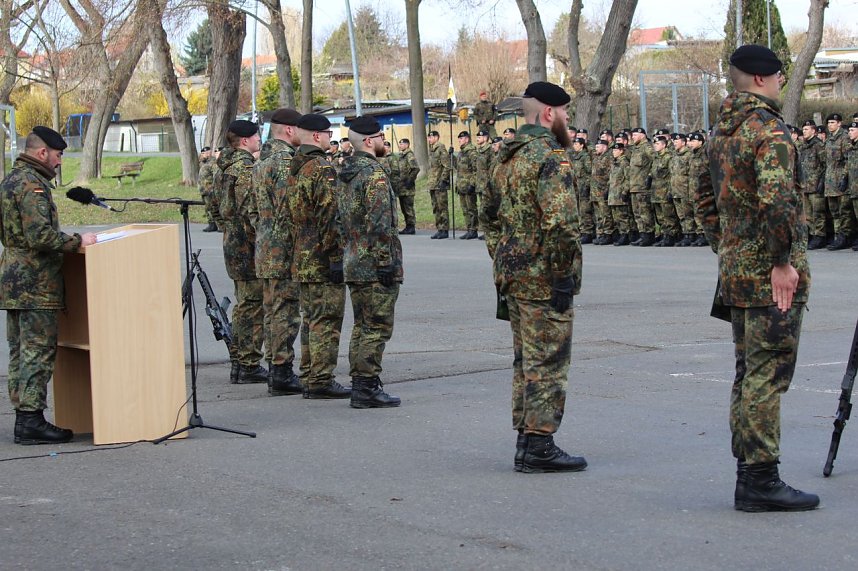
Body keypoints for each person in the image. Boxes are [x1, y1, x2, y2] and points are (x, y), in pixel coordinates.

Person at [696, 44, 819, 512]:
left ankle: (750, 471)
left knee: (749, 372)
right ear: (765, 79)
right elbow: (778, 201)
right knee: (767, 376)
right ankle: (760, 479)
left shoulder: (721, 132)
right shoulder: (769, 130)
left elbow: (702, 197)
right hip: (770, 274)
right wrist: (782, 261)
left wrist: (727, 246)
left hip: (737, 271)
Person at [481, 81, 587, 474]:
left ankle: (527, 439)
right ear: (549, 114)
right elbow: (561, 224)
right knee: (549, 360)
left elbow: (488, 216)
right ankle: (540, 443)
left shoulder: (506, 157)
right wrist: (562, 275)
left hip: (514, 276)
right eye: (564, 114)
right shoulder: (550, 157)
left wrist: (505, 255)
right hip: (544, 277)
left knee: (526, 360)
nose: (566, 121)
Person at [0, 126, 97, 444]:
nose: (59, 162)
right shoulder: (32, 185)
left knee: (20, 352)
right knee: (37, 352)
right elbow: (39, 236)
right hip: (35, 283)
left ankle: (25, 418)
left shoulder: (13, 179)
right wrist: (77, 241)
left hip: (15, 280)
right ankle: (30, 421)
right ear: (42, 153)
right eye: (58, 155)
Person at [337, 116, 403, 408]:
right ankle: (366, 386)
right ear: (368, 142)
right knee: (376, 326)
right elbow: (381, 223)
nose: (383, 142)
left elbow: (340, 220)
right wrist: (386, 261)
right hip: (374, 265)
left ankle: (360, 384)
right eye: (379, 137)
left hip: (354, 260)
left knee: (362, 326)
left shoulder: (346, 173)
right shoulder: (374, 175)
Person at [287, 114, 351, 399]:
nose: (330, 138)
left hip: (302, 254)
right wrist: (336, 256)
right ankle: (321, 379)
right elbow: (330, 215)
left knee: (311, 318)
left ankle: (310, 372)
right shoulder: (321, 168)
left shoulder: (296, 167)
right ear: (316, 136)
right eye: (327, 133)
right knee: (326, 319)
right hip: (321, 256)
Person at [252, 108, 304, 396]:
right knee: (285, 310)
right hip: (283, 246)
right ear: (288, 130)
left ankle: (275, 366)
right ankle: (282, 370)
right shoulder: (285, 162)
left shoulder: (261, 161)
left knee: (273, 310)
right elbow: (290, 209)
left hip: (266, 244)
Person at [216, 120, 268, 384]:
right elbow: (252, 212)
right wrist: (262, 243)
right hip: (247, 247)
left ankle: (240, 361)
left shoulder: (223, 168)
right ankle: (248, 363)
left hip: (231, 242)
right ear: (246, 140)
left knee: (243, 305)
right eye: (257, 135)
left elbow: (216, 208)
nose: (260, 138)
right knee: (252, 306)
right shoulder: (246, 169)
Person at [824, 113, 852, 250]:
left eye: (833, 123)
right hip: (830, 181)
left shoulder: (844, 138)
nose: (830, 125)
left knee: (844, 211)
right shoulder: (829, 139)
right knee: (834, 211)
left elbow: (848, 160)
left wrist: (845, 178)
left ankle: (844, 237)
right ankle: (837, 236)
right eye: (829, 123)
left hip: (840, 180)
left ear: (839, 124)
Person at [798, 120, 828, 250]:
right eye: (803, 129)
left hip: (815, 185)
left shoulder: (818, 146)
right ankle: (811, 234)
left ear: (813, 131)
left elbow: (825, 164)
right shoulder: (803, 146)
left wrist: (822, 181)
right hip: (805, 185)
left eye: (807, 129)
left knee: (818, 213)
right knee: (808, 214)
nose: (804, 131)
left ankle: (820, 236)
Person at [650, 135, 681, 246]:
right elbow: (653, 172)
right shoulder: (656, 157)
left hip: (665, 190)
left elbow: (672, 175)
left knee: (669, 216)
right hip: (656, 191)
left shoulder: (669, 157)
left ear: (664, 145)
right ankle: (664, 235)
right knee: (660, 216)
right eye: (654, 144)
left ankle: (671, 236)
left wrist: (670, 191)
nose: (655, 146)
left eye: (658, 144)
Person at [569, 136, 594, 243]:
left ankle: (587, 232)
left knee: (585, 211)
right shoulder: (575, 157)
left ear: (582, 145)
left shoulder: (585, 157)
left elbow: (590, 173)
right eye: (574, 144)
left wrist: (587, 186)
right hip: (577, 187)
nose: (574, 146)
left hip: (583, 187)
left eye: (576, 144)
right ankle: (581, 230)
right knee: (578, 210)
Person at [455, 131, 479, 239]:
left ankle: (474, 229)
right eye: (459, 139)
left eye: (461, 138)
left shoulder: (471, 152)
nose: (459, 140)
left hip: (469, 184)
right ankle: (469, 228)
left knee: (471, 208)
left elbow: (476, 169)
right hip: (461, 185)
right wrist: (451, 156)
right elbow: (458, 168)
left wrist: (473, 184)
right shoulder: (461, 152)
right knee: (465, 209)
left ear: (467, 139)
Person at [427, 130, 451, 239]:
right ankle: (439, 228)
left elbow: (447, 166)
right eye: (429, 137)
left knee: (442, 207)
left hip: (439, 183)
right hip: (433, 183)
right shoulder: (432, 150)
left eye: (431, 137)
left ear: (437, 138)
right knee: (435, 207)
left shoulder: (441, 148)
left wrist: (443, 180)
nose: (430, 139)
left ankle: (444, 229)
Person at [590, 138, 614, 244]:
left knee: (606, 214)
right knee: (598, 214)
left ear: (604, 147)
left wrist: (608, 189)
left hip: (603, 189)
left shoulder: (608, 158)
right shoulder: (596, 158)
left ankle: (608, 234)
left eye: (598, 147)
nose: (596, 149)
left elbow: (611, 175)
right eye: (595, 147)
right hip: (595, 190)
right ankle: (600, 233)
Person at [396, 138, 419, 234]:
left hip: (408, 187)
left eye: (402, 144)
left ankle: (411, 226)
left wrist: (410, 180)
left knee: (408, 208)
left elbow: (415, 168)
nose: (400, 145)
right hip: (402, 187)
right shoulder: (402, 156)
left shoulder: (409, 155)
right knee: (404, 208)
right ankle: (407, 226)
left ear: (407, 145)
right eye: (400, 144)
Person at [198, 146, 220, 232]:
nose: (204, 155)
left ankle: (218, 225)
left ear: (209, 153)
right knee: (207, 208)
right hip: (204, 189)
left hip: (210, 189)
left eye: (206, 153)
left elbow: (215, 175)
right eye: (203, 153)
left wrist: (213, 188)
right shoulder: (204, 163)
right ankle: (211, 224)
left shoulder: (213, 162)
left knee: (213, 208)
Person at [847, 121, 858, 250]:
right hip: (854, 186)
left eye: (852, 130)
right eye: (849, 130)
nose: (850, 133)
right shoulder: (851, 146)